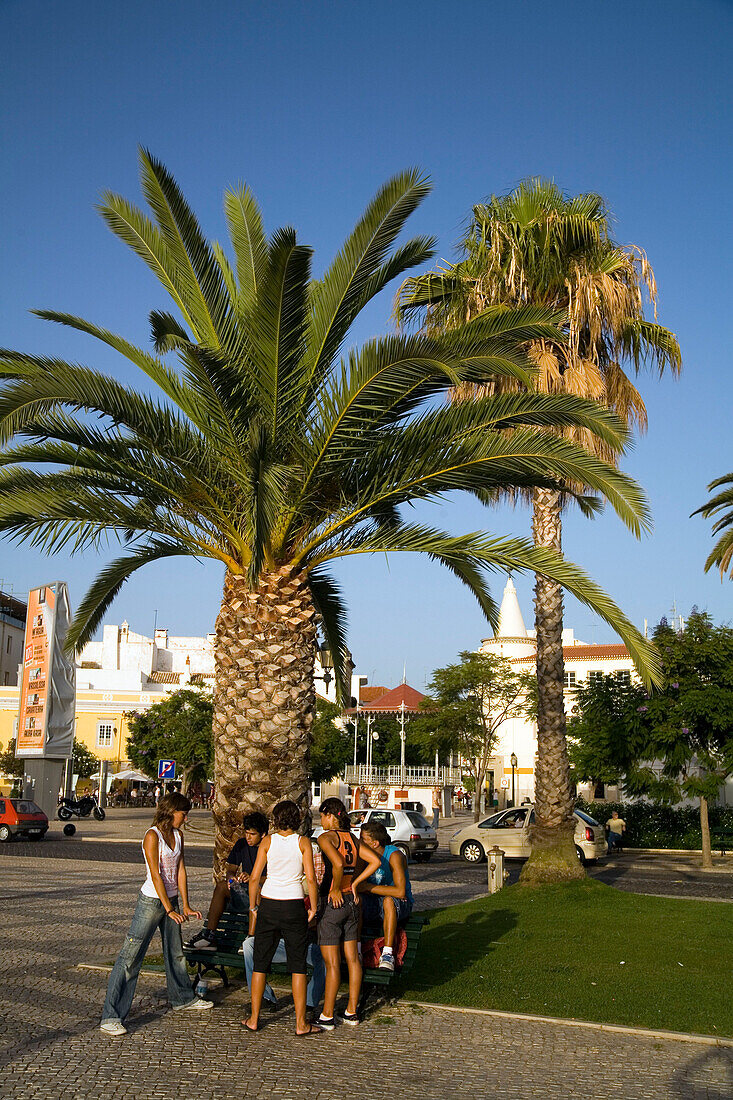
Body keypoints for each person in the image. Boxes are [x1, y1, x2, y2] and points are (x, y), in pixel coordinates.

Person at [100, 793, 213, 1037]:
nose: (185, 818)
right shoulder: (153, 836)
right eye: (183, 814)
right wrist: (168, 909)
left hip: (170, 901)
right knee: (130, 957)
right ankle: (111, 1016)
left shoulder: (179, 836)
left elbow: (180, 870)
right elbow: (156, 874)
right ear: (171, 811)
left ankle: (183, 998)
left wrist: (185, 905)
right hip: (151, 902)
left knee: (176, 954)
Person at [244, 800, 321, 1036]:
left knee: (260, 964)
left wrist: (253, 906)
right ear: (296, 819)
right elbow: (310, 879)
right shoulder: (303, 842)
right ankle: (300, 1023)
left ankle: (254, 1019)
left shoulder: (267, 841)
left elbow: (255, 878)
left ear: (276, 820)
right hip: (293, 905)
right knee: (297, 966)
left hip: (269, 904)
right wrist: (314, 907)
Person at [316, 797, 381, 1030]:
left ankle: (326, 1015)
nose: (321, 820)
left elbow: (337, 864)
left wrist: (335, 888)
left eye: (323, 815)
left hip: (333, 902)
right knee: (353, 958)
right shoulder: (353, 839)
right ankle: (352, 1011)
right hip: (353, 902)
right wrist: (355, 884)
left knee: (332, 963)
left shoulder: (326, 838)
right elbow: (375, 860)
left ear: (331, 816)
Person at [185, 811, 269, 950]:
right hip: (245, 892)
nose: (248, 837)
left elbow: (275, 877)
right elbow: (230, 869)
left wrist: (253, 879)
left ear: (263, 834)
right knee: (222, 886)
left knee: (258, 890)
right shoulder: (242, 844)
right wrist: (231, 879)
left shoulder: (270, 847)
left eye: (252, 834)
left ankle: (251, 939)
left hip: (263, 894)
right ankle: (209, 935)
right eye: (246, 833)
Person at [358, 820, 414, 972]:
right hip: (373, 902)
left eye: (363, 839)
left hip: (398, 904)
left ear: (375, 843)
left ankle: (388, 954)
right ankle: (357, 950)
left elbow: (400, 892)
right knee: (356, 901)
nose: (359, 842)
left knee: (388, 901)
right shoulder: (363, 857)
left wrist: (368, 887)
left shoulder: (394, 856)